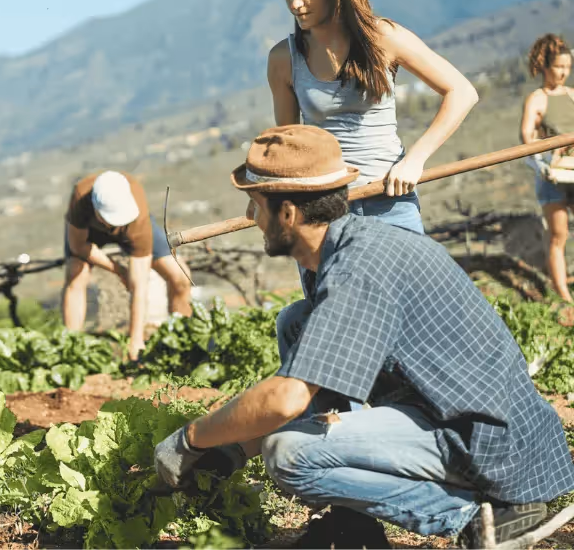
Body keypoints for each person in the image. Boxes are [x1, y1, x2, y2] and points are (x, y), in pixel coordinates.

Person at [153, 126, 574, 548]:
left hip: (491, 445)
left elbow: (287, 399)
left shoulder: (360, 268)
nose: (250, 218)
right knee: (297, 321)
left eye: (255, 205)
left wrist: (191, 439)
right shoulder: (351, 249)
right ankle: (352, 525)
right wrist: (233, 450)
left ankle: (479, 518)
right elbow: (312, 383)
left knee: (290, 454)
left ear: (288, 214)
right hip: (459, 417)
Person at [267, 0, 478, 235]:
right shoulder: (283, 59)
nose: (296, 4)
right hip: (324, 212)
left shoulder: (383, 38)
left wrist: (415, 161)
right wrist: (270, 196)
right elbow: (290, 144)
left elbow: (462, 92)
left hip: (390, 200)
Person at [62, 170, 192, 361]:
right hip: (90, 233)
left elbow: (139, 285)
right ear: (97, 210)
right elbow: (79, 246)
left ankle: (183, 343)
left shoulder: (136, 215)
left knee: (179, 277)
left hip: (133, 229)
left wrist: (136, 339)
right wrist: (119, 270)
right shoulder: (81, 197)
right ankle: (71, 352)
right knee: (76, 275)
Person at [520, 33, 574, 303]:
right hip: (551, 175)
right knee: (559, 234)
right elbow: (526, 137)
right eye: (558, 67)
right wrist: (544, 155)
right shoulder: (537, 99)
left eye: (567, 67)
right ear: (545, 67)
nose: (563, 72)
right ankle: (564, 296)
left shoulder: (573, 96)